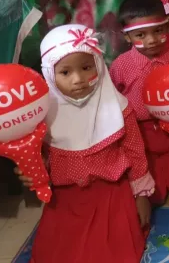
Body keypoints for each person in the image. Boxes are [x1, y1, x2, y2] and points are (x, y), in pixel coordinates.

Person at [24, 24, 154, 263]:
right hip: (66, 198)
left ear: (99, 65)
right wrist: (33, 169)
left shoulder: (119, 108)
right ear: (49, 74)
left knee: (116, 252)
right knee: (55, 254)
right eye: (65, 72)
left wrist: (142, 195)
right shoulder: (41, 116)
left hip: (112, 193)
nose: (78, 80)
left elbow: (135, 152)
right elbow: (40, 158)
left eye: (86, 68)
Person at [110, 0, 169, 204]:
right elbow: (113, 105)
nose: (151, 40)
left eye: (158, 31)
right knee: (155, 197)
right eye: (140, 35)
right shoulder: (120, 66)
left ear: (167, 26)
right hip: (140, 137)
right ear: (127, 36)